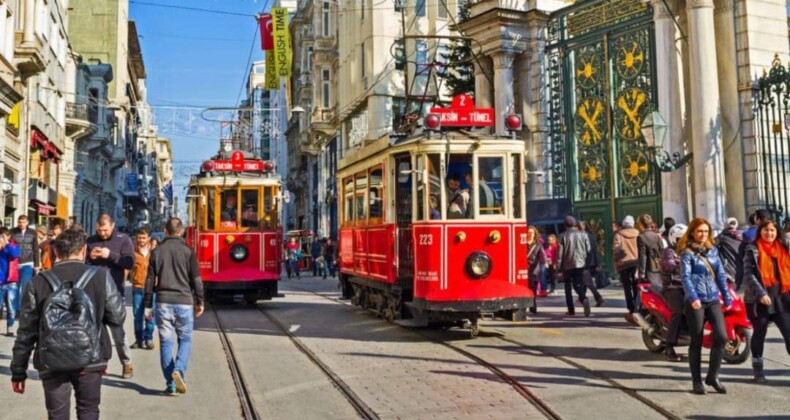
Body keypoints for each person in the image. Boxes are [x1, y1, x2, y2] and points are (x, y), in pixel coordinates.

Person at [10, 228, 126, 419]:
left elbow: (26, 332)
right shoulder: (101, 277)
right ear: (84, 251)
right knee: (88, 411)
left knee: (57, 415)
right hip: (91, 358)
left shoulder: (37, 282)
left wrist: (18, 371)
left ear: (56, 251)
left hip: (52, 360)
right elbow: (117, 318)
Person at [144, 217, 205, 396]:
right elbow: (196, 280)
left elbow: (149, 280)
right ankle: (179, 369)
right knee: (185, 339)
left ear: (165, 230)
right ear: (182, 231)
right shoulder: (188, 251)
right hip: (184, 302)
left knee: (165, 342)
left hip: (163, 301)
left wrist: (148, 305)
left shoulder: (157, 252)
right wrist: (200, 300)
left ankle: (170, 384)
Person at [678, 217, 732, 395]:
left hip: (713, 299)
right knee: (697, 340)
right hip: (696, 302)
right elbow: (685, 277)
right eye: (700, 231)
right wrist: (692, 297)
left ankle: (713, 376)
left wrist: (726, 295)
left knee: (722, 337)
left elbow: (721, 274)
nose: (703, 235)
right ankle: (696, 381)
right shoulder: (687, 253)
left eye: (706, 232)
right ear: (692, 232)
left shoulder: (713, 251)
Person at [86, 213, 135, 379]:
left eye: (105, 230)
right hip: (94, 292)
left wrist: (110, 255)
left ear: (112, 226)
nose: (103, 234)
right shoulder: (90, 241)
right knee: (96, 331)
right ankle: (101, 363)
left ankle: (126, 363)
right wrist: (89, 257)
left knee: (118, 332)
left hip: (115, 293)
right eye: (100, 230)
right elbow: (81, 264)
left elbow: (129, 263)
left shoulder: (124, 240)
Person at [741, 220, 790, 382]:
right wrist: (761, 293)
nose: (769, 233)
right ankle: (758, 369)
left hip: (782, 297)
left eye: (772, 230)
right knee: (760, 333)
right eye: (766, 230)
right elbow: (749, 275)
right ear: (760, 231)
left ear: (777, 232)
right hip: (759, 299)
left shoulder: (784, 248)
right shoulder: (752, 249)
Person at [660, 224, 688, 362]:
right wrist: (683, 265)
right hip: (673, 286)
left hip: (688, 286)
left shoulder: (690, 251)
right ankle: (669, 347)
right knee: (679, 310)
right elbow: (669, 265)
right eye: (680, 239)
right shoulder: (669, 252)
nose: (683, 242)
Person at [557, 215, 592, 317]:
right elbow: (588, 251)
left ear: (565, 224)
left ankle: (571, 310)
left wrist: (559, 268)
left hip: (567, 265)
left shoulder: (562, 236)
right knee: (578, 284)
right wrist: (587, 264)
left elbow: (560, 255)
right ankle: (583, 297)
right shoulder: (583, 235)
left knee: (567, 287)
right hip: (581, 263)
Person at [131, 229, 155, 350]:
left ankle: (149, 338)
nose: (141, 240)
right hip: (137, 288)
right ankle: (139, 340)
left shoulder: (154, 253)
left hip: (150, 290)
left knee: (149, 315)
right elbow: (127, 269)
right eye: (139, 238)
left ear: (148, 238)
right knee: (137, 315)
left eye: (143, 238)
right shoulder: (133, 252)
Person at [614, 215, 640, 324]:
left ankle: (630, 307)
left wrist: (617, 261)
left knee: (626, 287)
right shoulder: (638, 234)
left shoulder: (619, 235)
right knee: (636, 286)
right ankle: (636, 308)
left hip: (624, 264)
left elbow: (616, 249)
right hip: (636, 263)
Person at [10, 215, 39, 310]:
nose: (21, 224)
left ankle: (22, 308)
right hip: (15, 263)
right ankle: (16, 308)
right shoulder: (12, 232)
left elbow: (35, 249)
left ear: (27, 223)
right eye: (19, 222)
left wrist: (37, 265)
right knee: (15, 287)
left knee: (25, 286)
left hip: (28, 263)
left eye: (23, 222)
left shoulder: (33, 233)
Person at [577, 221, 605, 307]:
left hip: (583, 262)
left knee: (587, 281)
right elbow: (595, 250)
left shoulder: (579, 237)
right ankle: (581, 298)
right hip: (592, 261)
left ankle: (598, 297)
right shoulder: (591, 236)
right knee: (585, 280)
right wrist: (597, 262)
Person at [0, 228, 20, 336]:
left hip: (11, 281)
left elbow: (14, 255)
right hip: (0, 281)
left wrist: (6, 243)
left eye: (4, 236)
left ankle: (10, 328)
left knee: (11, 307)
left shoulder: (13, 246)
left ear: (8, 236)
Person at [637, 214, 665, 292]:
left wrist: (641, 273)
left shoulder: (641, 237)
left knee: (646, 291)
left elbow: (642, 256)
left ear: (641, 224)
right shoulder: (657, 236)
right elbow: (662, 251)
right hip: (658, 266)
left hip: (648, 268)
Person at [716, 217, 742, 283]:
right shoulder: (742, 237)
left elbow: (710, 245)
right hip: (740, 270)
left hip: (728, 271)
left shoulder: (721, 237)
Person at [526, 226, 546, 313]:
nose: (530, 234)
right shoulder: (522, 243)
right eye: (528, 233)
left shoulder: (538, 244)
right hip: (524, 269)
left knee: (533, 288)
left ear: (535, 234)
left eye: (532, 233)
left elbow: (542, 255)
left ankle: (533, 306)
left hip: (534, 269)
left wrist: (545, 262)